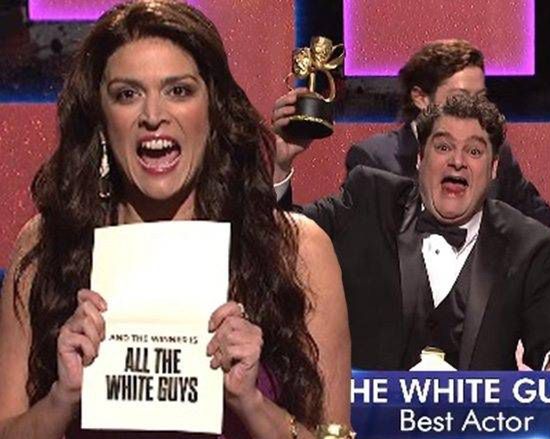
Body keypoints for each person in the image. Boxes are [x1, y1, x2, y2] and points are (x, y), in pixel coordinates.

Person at [0, 1, 350, 438]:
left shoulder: (296, 252)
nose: (153, 116)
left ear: (214, 109)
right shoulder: (47, 246)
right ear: (101, 119)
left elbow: (334, 432)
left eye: (179, 91)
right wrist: (62, 398)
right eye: (127, 94)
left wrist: (252, 403)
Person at [275, 93, 550, 371]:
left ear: (494, 168)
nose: (457, 161)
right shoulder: (367, 200)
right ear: (420, 158)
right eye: (443, 146)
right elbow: (280, 240)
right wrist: (278, 166)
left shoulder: (528, 244)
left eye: (474, 151)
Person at [273, 39, 550, 247]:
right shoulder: (374, 160)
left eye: (480, 99)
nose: (472, 110)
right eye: (459, 98)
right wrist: (280, 166)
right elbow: (307, 235)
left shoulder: (496, 156)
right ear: (420, 98)